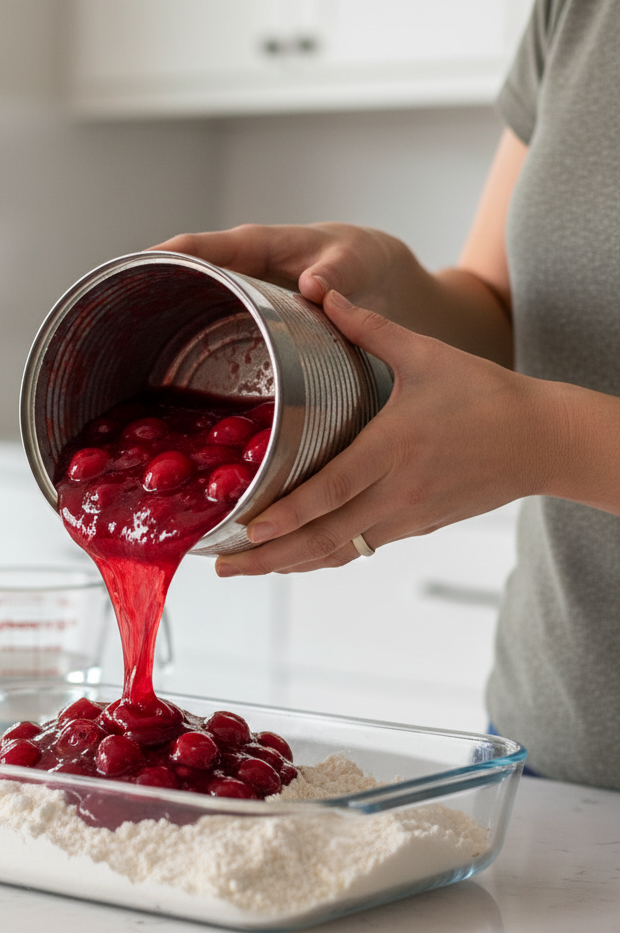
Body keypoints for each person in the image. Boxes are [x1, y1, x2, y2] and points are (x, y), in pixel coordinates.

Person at [150, 0, 619, 790]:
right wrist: (386, 284)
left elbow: (536, 416)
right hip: (549, 748)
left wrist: (546, 439)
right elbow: (507, 317)